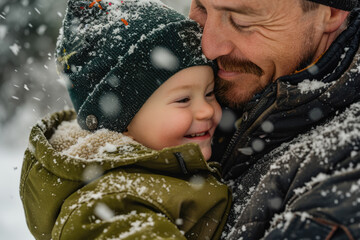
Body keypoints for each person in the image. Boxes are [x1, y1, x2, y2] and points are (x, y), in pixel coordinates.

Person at [19, 1, 232, 239]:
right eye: (183, 99)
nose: (206, 110)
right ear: (121, 120)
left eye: (210, 93)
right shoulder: (112, 205)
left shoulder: (160, 169)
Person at [189, 0, 360, 239]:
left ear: (330, 13)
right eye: (201, 9)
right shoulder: (193, 79)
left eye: (242, 21)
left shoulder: (346, 169)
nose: (209, 47)